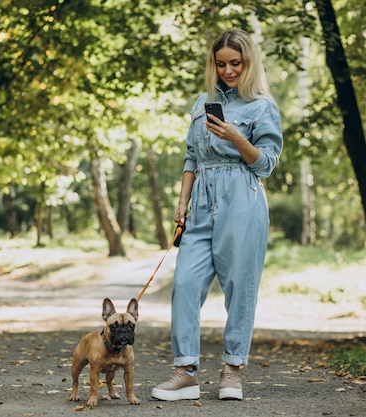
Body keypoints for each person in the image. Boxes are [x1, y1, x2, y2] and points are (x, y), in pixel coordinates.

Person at [151, 29, 283, 402]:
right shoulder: (201, 101)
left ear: (249, 63)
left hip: (242, 197)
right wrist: (182, 201)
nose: (227, 70)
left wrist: (235, 137)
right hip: (201, 201)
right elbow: (191, 156)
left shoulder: (262, 107)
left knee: (240, 287)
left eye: (235, 64)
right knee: (185, 285)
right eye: (221, 63)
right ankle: (186, 371)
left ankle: (232, 370)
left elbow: (267, 164)